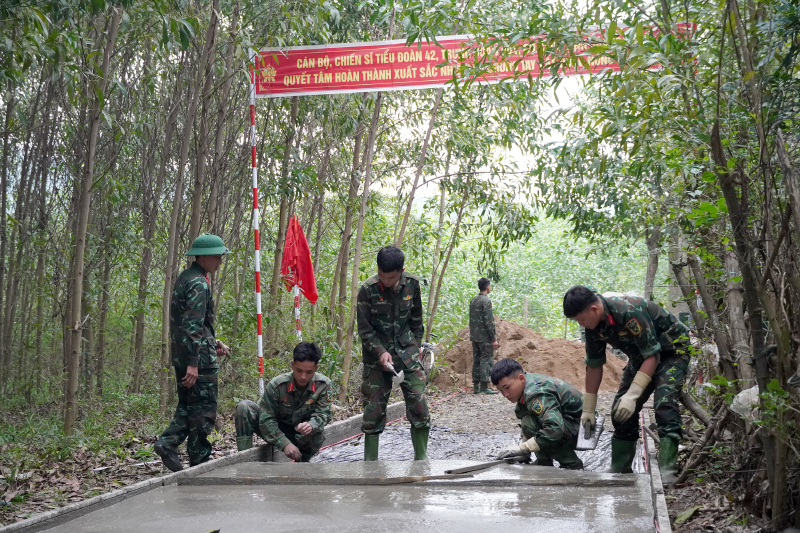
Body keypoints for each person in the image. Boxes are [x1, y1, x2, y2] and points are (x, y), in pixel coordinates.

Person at [563, 286, 690, 482]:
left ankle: (667, 470)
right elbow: (595, 365)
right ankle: (621, 466)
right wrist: (588, 408)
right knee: (620, 411)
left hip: (672, 351)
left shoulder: (627, 310)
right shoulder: (593, 326)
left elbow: (653, 356)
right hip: (642, 356)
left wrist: (633, 394)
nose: (582, 325)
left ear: (594, 309)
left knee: (664, 403)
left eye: (581, 319)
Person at [154, 234, 231, 472]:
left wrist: (212, 341)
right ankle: (199, 460)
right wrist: (194, 363)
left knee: (188, 406)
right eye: (217, 256)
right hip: (195, 360)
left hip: (185, 354)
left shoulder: (187, 278)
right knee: (203, 410)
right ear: (204, 257)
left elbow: (192, 322)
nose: (220, 260)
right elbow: (191, 326)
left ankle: (168, 443)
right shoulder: (199, 283)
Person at [357, 246, 430, 461]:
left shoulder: (413, 285)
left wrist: (416, 347)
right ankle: (370, 465)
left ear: (401, 271)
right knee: (373, 411)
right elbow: (365, 330)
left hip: (407, 353)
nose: (385, 281)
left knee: (419, 405)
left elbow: (417, 320)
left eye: (390, 277)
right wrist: (380, 352)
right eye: (381, 275)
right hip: (376, 358)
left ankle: (421, 461)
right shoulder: (367, 290)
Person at [234, 341, 334, 462]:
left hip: (302, 435)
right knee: (244, 407)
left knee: (315, 432)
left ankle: (304, 463)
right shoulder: (277, 386)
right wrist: (284, 443)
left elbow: (324, 414)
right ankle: (244, 461)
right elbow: (266, 419)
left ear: (316, 368)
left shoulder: (323, 385)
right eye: (299, 370)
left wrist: (312, 425)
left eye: (309, 372)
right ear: (292, 365)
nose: (303, 376)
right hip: (277, 430)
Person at [492, 358, 584, 470]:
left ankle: (571, 463)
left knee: (531, 425)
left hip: (585, 429)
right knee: (529, 421)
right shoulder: (526, 386)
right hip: (570, 422)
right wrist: (525, 448)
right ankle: (544, 462)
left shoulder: (535, 392)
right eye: (500, 390)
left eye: (507, 387)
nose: (505, 394)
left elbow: (554, 428)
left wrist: (524, 447)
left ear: (521, 378)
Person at [469, 277, 499, 394]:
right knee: (486, 359)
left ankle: (476, 386)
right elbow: (489, 321)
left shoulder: (473, 300)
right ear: (487, 287)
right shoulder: (486, 301)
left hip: (474, 336)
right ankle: (484, 386)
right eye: (490, 286)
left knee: (476, 359)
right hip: (484, 337)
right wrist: (493, 339)